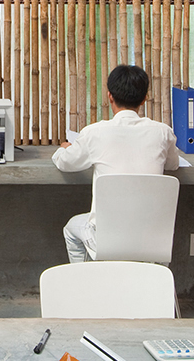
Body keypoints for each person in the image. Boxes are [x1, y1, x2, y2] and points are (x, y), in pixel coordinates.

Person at [52, 64, 181, 263]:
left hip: (107, 239)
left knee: (71, 229)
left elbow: (64, 163)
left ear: (110, 96)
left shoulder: (95, 133)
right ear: (145, 98)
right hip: (152, 239)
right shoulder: (163, 132)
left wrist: (65, 148)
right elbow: (173, 164)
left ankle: (86, 286)